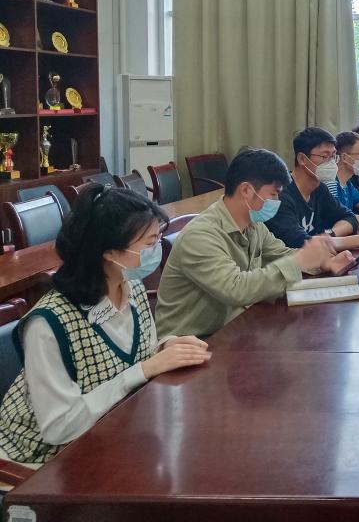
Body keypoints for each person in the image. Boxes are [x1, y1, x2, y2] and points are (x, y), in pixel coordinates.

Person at [0, 187, 211, 465]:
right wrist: (145, 368)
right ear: (110, 252)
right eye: (150, 242)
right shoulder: (48, 324)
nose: (157, 250)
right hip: (36, 458)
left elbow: (137, 360)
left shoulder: (132, 287)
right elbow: (60, 427)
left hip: (109, 432)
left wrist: (165, 348)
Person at [156, 148, 353, 338]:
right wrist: (300, 261)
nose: (277, 201)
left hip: (234, 328)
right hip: (192, 344)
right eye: (274, 194)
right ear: (246, 190)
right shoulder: (201, 235)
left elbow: (281, 253)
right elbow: (236, 289)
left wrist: (321, 262)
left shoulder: (253, 224)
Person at [264, 127, 359, 252]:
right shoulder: (279, 195)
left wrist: (330, 235)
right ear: (302, 159)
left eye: (333, 156)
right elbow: (300, 242)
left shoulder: (319, 188)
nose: (331, 163)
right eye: (325, 156)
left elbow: (349, 217)